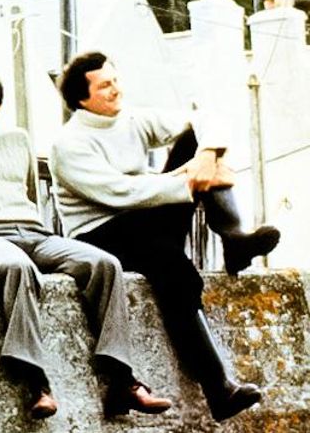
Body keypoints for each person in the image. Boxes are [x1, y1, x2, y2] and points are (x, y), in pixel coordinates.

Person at [0, 63, 171, 419]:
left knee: (104, 264)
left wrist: (38, 233)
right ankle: (36, 385)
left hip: (32, 231)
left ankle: (123, 382)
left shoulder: (18, 140)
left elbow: (29, 194)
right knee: (16, 267)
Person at [50, 51, 280, 422]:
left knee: (198, 141)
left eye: (115, 80)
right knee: (172, 267)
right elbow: (119, 193)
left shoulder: (131, 119)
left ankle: (234, 238)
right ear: (82, 98)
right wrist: (187, 180)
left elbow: (208, 118)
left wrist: (206, 156)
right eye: (105, 86)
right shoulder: (69, 144)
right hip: (100, 232)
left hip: (145, 217)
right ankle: (218, 388)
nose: (116, 90)